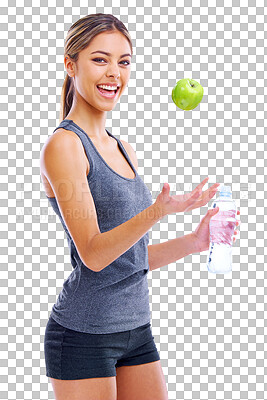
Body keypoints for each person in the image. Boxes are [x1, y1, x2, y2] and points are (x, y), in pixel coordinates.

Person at [40, 13, 240, 400]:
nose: (114, 72)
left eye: (123, 61)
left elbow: (128, 258)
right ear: (71, 64)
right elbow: (95, 255)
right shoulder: (64, 146)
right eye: (100, 59)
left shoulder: (121, 148)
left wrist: (193, 242)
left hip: (137, 330)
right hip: (83, 335)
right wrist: (157, 211)